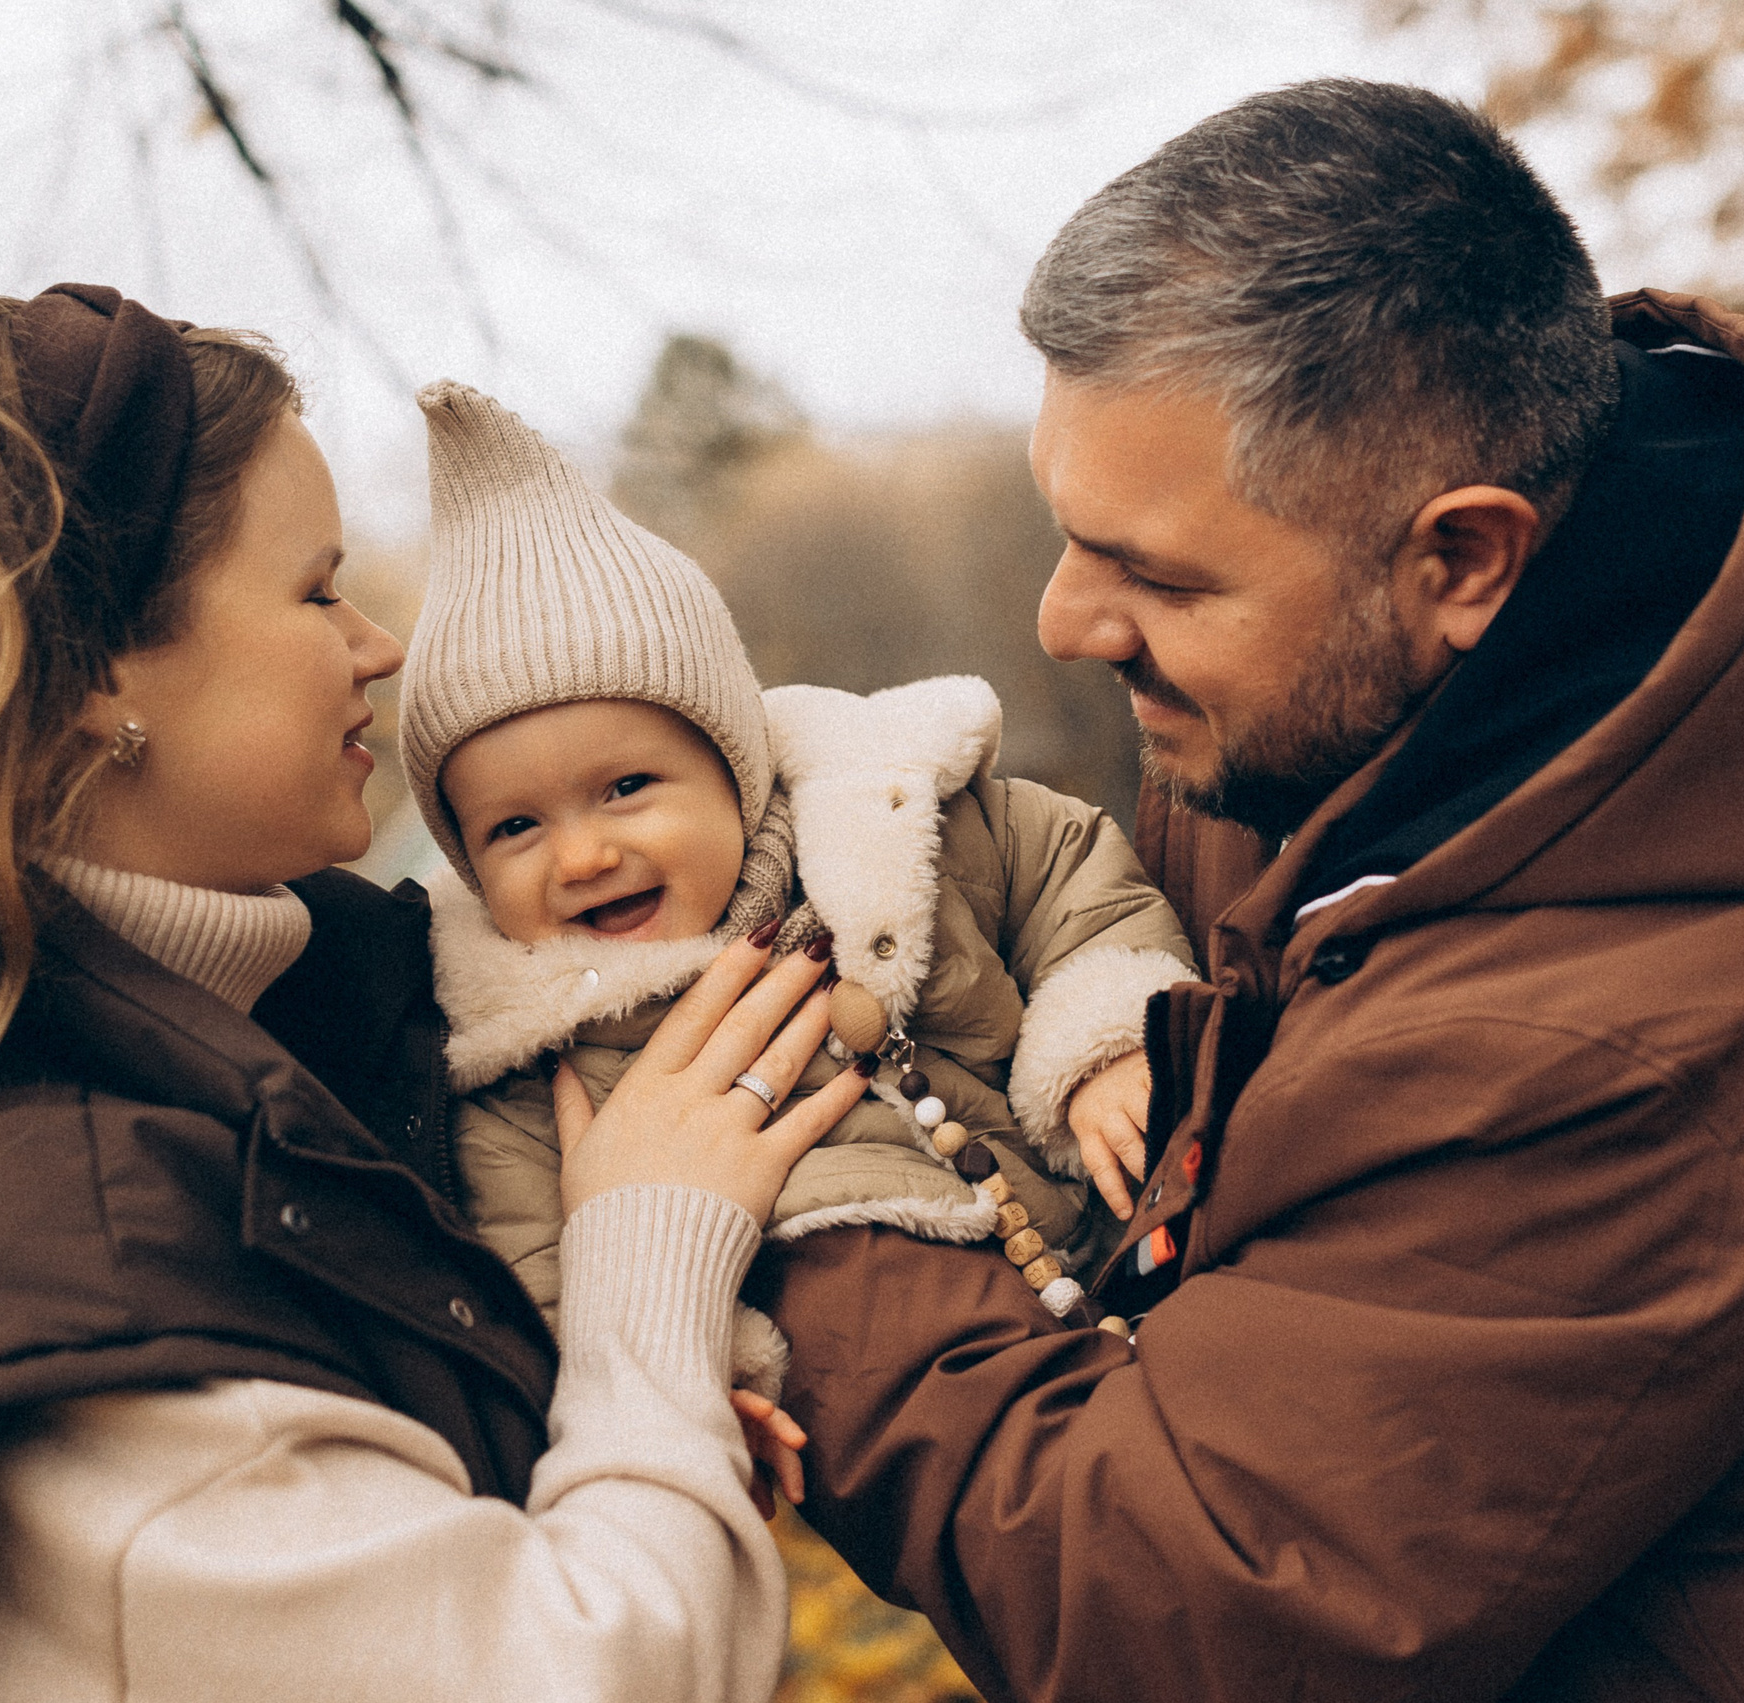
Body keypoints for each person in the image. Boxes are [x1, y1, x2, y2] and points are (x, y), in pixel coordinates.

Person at [758, 79, 1744, 1700]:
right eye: (1067, 532)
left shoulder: (1621, 1055)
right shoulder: (1368, 740)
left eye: (1157, 573)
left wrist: (798, 1175)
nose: (1064, 620)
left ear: (1463, 561)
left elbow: (1177, 1609)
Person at [0, 284, 870, 1703]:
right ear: (86, 677)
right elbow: (580, 1671)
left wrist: (629, 1447)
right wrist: (647, 1265)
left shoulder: (282, 1035)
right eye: (312, 588)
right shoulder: (36, 1314)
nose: (378, 643)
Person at [394, 382, 1196, 1400]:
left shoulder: (893, 824)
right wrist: (691, 1384)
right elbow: (545, 1268)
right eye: (515, 827)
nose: (583, 855)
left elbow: (1069, 875)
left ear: (735, 767)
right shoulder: (521, 1060)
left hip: (1124, 1234)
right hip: (898, 1360)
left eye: (626, 788)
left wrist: (1103, 1044)